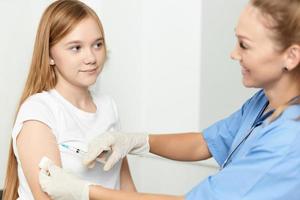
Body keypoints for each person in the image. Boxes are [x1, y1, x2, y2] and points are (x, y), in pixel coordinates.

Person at [39, 0, 300, 199]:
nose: (233, 54)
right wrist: (138, 141)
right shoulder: (263, 103)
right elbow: (204, 142)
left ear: (291, 56)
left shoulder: (289, 142)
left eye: (244, 45)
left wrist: (84, 191)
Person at [2, 0, 136, 199]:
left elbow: (128, 191)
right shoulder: (39, 112)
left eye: (97, 44)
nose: (91, 57)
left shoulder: (108, 106)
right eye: (76, 48)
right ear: (49, 55)